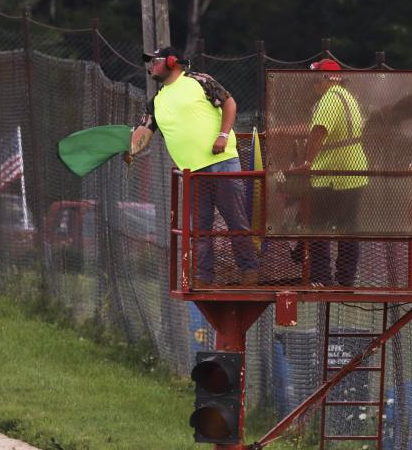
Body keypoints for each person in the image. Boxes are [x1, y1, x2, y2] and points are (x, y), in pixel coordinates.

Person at [128, 46, 259, 288]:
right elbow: (143, 132)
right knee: (199, 228)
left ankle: (250, 271)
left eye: (154, 61)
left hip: (221, 162)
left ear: (171, 61)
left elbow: (229, 104)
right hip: (192, 173)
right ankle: (203, 278)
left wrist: (222, 135)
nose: (150, 66)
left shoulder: (200, 81)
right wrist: (129, 147)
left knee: (236, 220)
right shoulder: (156, 102)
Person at [291, 58, 368, 286]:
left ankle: (320, 278)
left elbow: (318, 132)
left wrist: (307, 161)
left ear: (325, 79)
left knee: (316, 225)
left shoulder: (329, 99)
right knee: (348, 226)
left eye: (316, 78)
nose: (313, 84)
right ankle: (345, 279)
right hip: (354, 169)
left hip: (333, 173)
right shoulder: (347, 96)